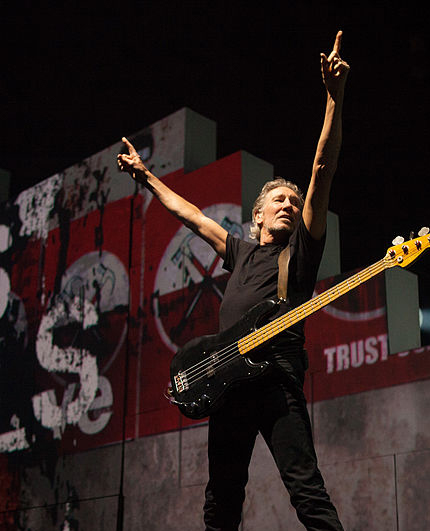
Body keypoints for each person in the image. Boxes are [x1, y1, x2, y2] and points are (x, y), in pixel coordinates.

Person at [117, 31, 349, 531]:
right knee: (221, 498)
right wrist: (146, 177)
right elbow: (190, 215)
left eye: (293, 200)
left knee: (306, 490)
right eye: (279, 200)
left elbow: (322, 169)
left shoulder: (301, 252)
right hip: (227, 384)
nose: (290, 204)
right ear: (258, 214)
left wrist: (334, 99)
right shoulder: (240, 250)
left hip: (277, 379)